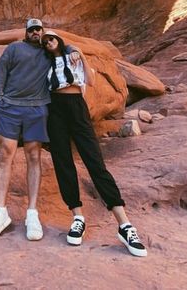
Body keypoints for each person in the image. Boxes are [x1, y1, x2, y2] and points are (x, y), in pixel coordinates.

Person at [42, 30, 147, 257]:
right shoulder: (44, 64)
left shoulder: (74, 57)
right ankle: (77, 217)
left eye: (51, 38)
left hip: (76, 107)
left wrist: (79, 53)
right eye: (45, 41)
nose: (48, 42)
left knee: (95, 162)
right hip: (54, 110)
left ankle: (124, 225)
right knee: (63, 162)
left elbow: (90, 81)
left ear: (59, 40)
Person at [0, 18, 78, 242]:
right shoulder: (14, 48)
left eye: (39, 29)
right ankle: (0, 212)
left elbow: (64, 46)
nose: (35, 32)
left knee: (33, 155)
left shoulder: (48, 52)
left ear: (43, 33)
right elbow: (0, 73)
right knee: (6, 152)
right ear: (26, 33)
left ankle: (32, 213)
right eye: (31, 29)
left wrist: (73, 49)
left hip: (36, 109)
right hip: (10, 108)